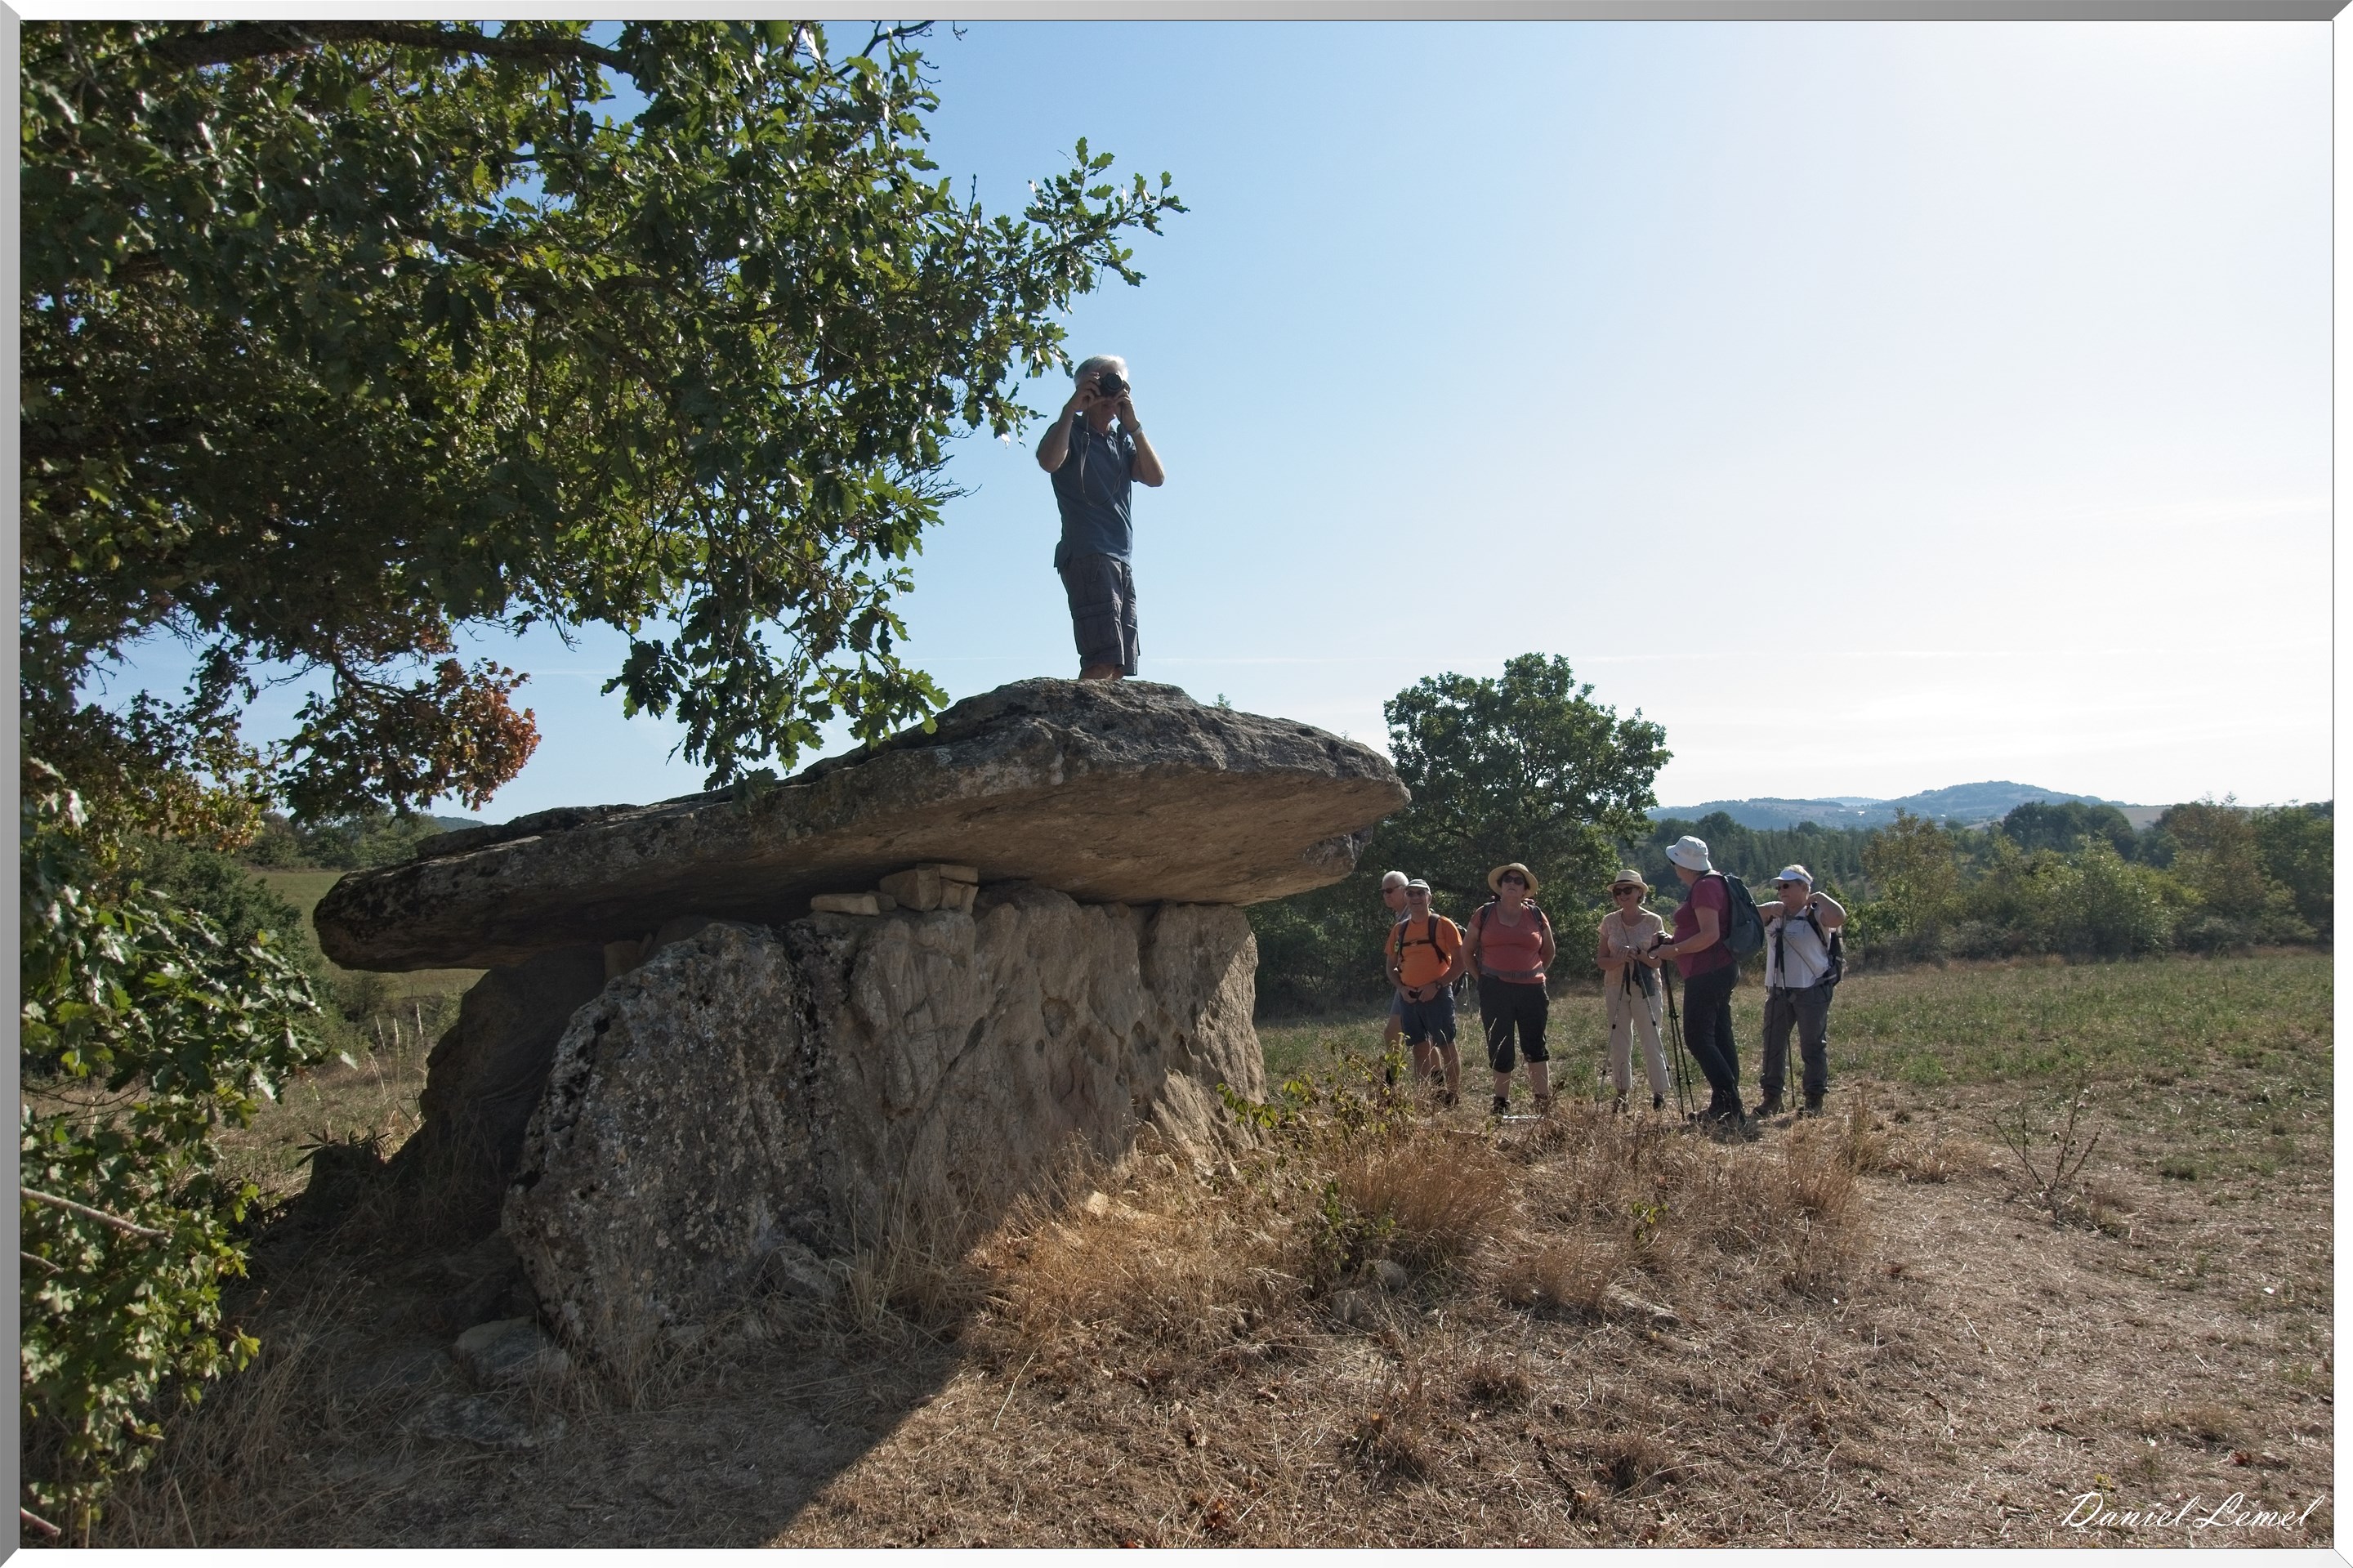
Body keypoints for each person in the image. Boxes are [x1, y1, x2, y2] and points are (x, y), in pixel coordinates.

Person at [1034, 355, 1166, 681]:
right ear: (1085, 385)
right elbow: (1049, 462)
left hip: (1120, 558)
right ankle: (1076, 728)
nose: (1112, 390)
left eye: (1118, 382)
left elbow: (1155, 478)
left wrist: (1133, 425)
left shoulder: (1121, 440)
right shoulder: (1069, 431)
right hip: (1088, 555)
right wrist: (1071, 409)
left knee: (1120, 665)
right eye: (1105, 381)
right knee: (1101, 659)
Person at [1651, 835, 1747, 1127]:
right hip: (1720, 968)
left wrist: (1674, 949)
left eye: (1674, 861)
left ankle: (1730, 1102)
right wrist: (1675, 940)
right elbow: (1705, 931)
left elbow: (1709, 935)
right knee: (1718, 1035)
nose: (1673, 867)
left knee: (1697, 1037)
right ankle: (1725, 1105)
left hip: (1708, 971)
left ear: (1683, 863)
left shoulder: (1704, 888)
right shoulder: (1715, 882)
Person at [1465, 862, 1556, 1117]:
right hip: (1495, 988)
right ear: (1501, 886)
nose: (1512, 884)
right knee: (1499, 1043)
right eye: (1508, 879)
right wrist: (1481, 980)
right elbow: (1466, 951)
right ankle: (1500, 1102)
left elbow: (1548, 951)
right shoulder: (1483, 914)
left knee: (1535, 1044)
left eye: (1518, 880)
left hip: (1532, 989)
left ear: (1526, 889)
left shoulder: (1537, 915)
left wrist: (1535, 973)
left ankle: (1541, 1101)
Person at [1757, 864, 1846, 1116]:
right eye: (1779, 886)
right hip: (1778, 990)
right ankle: (1772, 1097)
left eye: (1787, 885)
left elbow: (1839, 917)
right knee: (1772, 1045)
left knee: (1812, 1046)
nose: (1781, 890)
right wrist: (1767, 909)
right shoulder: (1774, 912)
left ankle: (1814, 1099)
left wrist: (1820, 898)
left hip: (1812, 989)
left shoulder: (1816, 914)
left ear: (1804, 888)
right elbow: (1744, 917)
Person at [1595, 869, 1671, 1113]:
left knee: (1652, 1038)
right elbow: (1601, 960)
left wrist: (1638, 955)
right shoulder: (1609, 921)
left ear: (1640, 892)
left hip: (1646, 987)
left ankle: (1659, 1092)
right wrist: (1619, 959)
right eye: (1618, 891)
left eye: (1628, 890)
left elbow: (1658, 961)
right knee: (1619, 1041)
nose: (1623, 895)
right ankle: (1621, 1093)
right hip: (1615, 986)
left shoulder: (1654, 921)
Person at [1386, 880, 1465, 1104]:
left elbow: (1461, 962)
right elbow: (1390, 966)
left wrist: (1437, 986)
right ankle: (1425, 1099)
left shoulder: (1443, 925)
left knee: (1446, 1046)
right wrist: (1401, 989)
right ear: (1406, 898)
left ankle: (1453, 1096)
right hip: (1409, 998)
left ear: (1429, 898)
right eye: (1411, 894)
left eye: (1421, 893)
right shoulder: (1399, 930)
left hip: (1438, 996)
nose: (1416, 898)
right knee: (1419, 1049)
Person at [1377, 869, 1412, 1057]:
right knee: (1392, 1033)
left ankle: (1435, 1085)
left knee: (1424, 1040)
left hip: (1416, 982)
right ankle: (1392, 1080)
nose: (1386, 895)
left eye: (1390, 890)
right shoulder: (1400, 917)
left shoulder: (1415, 916)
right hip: (1404, 984)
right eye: (1383, 891)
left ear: (1405, 890)